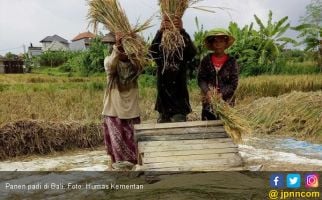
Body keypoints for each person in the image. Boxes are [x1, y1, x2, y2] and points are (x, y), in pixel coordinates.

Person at [102, 32, 141, 170]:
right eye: (120, 48)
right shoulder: (109, 61)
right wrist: (118, 47)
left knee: (134, 149)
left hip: (132, 111)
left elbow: (141, 62)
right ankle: (117, 169)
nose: (123, 50)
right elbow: (112, 65)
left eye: (126, 47)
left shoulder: (135, 65)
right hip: (113, 111)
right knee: (117, 151)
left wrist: (134, 45)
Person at [150, 16, 197, 123]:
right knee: (163, 133)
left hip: (180, 101)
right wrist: (160, 31)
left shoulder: (182, 51)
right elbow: (151, 52)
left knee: (179, 128)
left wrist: (182, 30)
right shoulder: (160, 53)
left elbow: (192, 52)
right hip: (163, 102)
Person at [197, 28, 239, 120]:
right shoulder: (206, 60)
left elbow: (233, 83)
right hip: (208, 102)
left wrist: (221, 94)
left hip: (226, 103)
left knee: (226, 128)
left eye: (221, 41)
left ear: (225, 43)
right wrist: (207, 92)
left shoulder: (232, 61)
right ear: (212, 44)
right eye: (215, 41)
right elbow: (201, 79)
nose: (218, 43)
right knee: (208, 129)